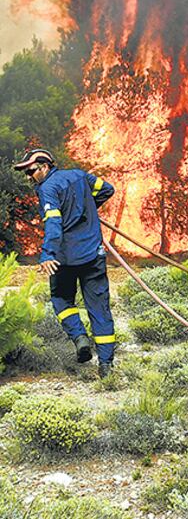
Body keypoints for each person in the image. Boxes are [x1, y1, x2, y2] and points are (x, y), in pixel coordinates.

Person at [14, 148, 117, 378]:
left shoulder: (47, 188)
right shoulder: (80, 175)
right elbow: (107, 189)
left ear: (45, 167)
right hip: (93, 255)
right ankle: (106, 366)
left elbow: (53, 223)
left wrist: (47, 254)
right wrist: (86, 210)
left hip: (65, 259)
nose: (29, 177)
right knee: (99, 308)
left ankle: (80, 338)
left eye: (31, 172)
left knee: (61, 299)